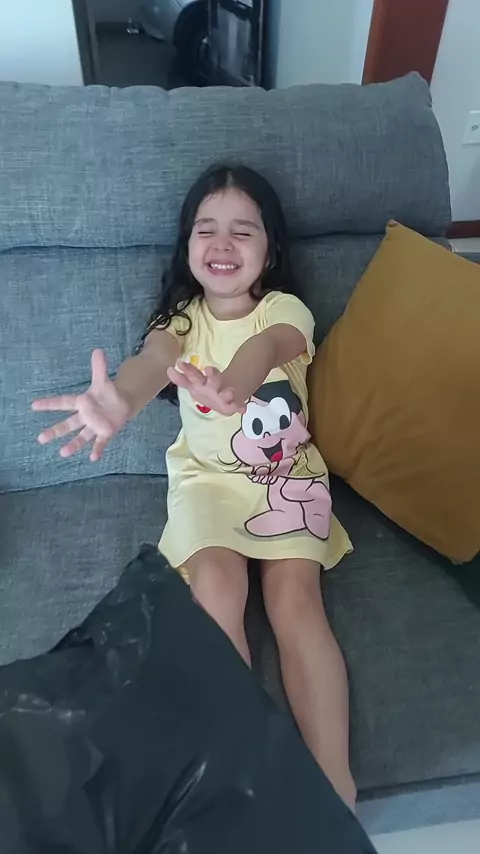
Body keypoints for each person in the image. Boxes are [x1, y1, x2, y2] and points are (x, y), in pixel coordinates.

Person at [32, 164, 356, 810]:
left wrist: (231, 387)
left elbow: (265, 350)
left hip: (285, 480)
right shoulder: (180, 321)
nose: (222, 243)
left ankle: (335, 787)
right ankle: (243, 771)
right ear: (186, 246)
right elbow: (152, 363)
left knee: (295, 601)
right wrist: (121, 401)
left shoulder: (284, 311)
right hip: (208, 483)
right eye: (206, 229)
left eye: (243, 231)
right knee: (215, 586)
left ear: (271, 251)